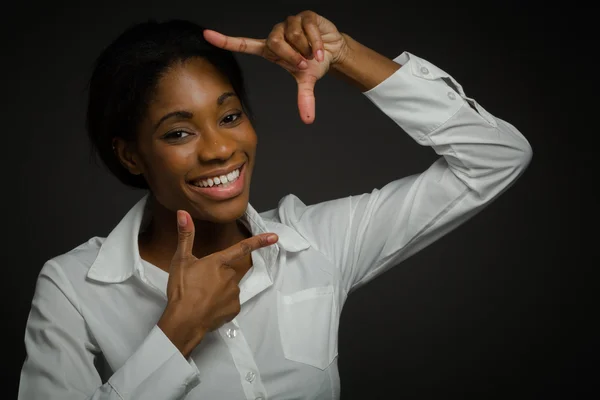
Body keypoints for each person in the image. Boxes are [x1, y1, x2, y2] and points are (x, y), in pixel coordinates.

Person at [17, 10, 532, 400]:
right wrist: (177, 335)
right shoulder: (73, 287)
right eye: (178, 131)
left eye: (230, 116)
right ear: (131, 154)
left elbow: (495, 158)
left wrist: (345, 53)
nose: (219, 148)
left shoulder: (318, 242)